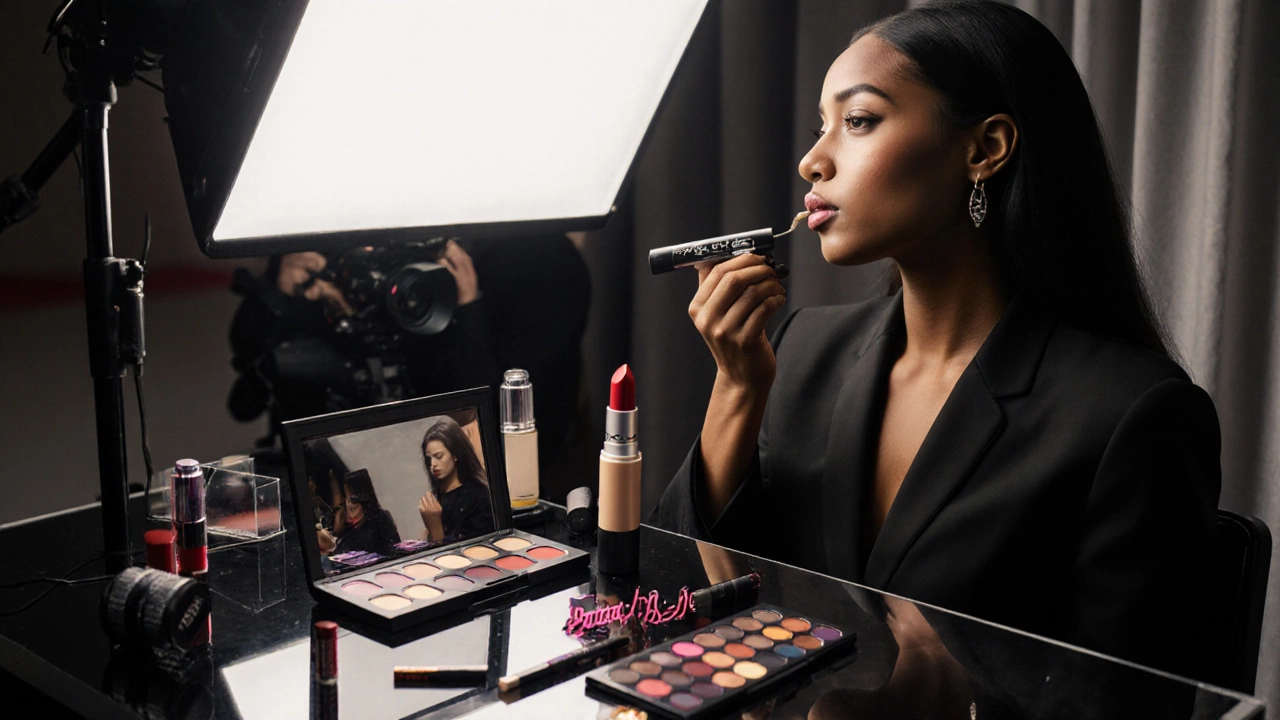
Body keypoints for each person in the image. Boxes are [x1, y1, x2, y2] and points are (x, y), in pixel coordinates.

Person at [652, 0, 1221, 680]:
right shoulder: (801, 353)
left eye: (858, 121)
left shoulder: (1133, 412)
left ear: (985, 148)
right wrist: (738, 388)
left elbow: (1125, 703)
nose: (811, 161)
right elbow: (674, 598)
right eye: (821, 128)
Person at [418, 417, 495, 543]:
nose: (433, 464)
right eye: (429, 459)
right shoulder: (439, 496)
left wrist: (435, 527)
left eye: (439, 456)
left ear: (455, 454)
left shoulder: (477, 497)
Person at [317, 469, 402, 557]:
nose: (348, 516)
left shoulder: (378, 522)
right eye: (345, 509)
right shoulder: (343, 531)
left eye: (353, 509)